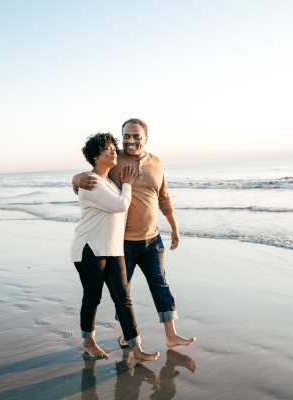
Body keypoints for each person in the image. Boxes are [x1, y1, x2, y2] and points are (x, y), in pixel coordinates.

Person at [73, 119, 196, 348]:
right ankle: (125, 334)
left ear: (145, 138)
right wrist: (76, 179)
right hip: (123, 243)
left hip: (152, 238)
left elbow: (164, 197)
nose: (130, 140)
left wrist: (175, 228)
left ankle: (171, 335)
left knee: (160, 285)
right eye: (126, 136)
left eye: (136, 136)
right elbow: (94, 174)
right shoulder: (115, 159)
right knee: (123, 294)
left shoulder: (156, 162)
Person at [71, 132, 159, 362]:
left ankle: (136, 347)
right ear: (94, 157)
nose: (113, 151)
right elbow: (120, 205)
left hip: (113, 249)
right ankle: (88, 341)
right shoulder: (90, 182)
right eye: (107, 149)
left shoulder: (109, 182)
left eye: (113, 147)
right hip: (89, 249)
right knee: (93, 297)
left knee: (123, 297)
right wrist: (128, 184)